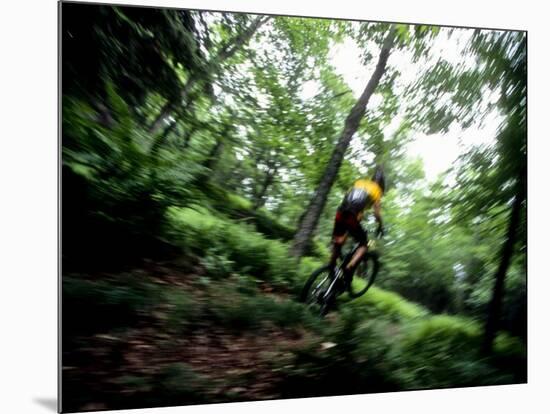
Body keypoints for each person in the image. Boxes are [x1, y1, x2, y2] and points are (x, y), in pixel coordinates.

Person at [329, 165, 385, 290]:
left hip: (340, 212)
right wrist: (381, 226)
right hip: (352, 215)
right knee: (365, 244)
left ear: (371, 178)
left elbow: (350, 201)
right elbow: (377, 214)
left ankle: (330, 267)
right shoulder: (377, 191)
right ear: (381, 185)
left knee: (339, 240)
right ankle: (349, 268)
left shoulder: (360, 182)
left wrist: (350, 228)